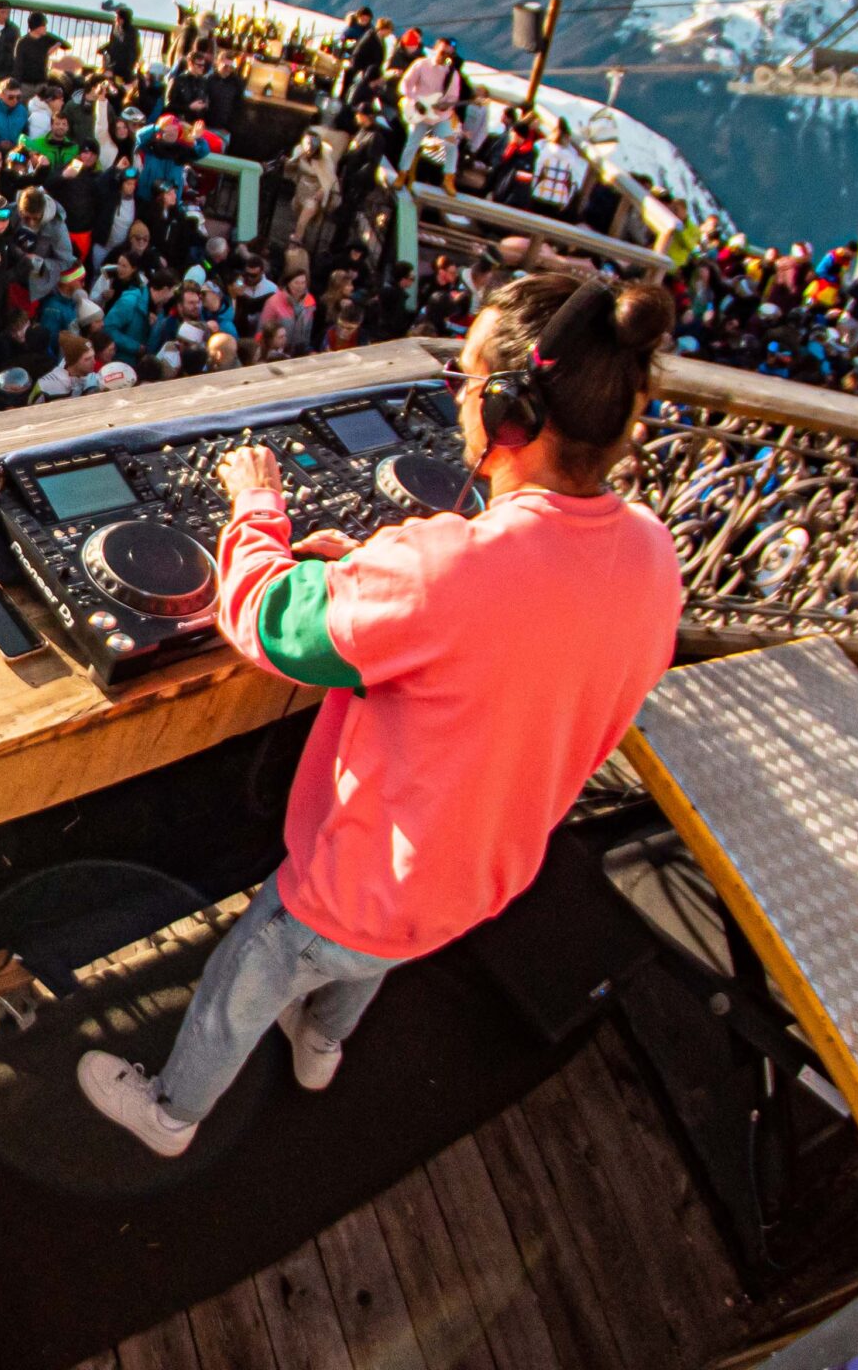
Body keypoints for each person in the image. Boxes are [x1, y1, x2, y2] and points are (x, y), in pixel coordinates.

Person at [78, 274, 682, 1154]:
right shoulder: (653, 554)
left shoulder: (445, 572)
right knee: (375, 959)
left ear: (508, 414)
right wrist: (379, 573)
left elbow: (270, 621)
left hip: (349, 884)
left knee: (243, 978)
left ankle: (171, 1112)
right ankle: (320, 1046)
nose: (459, 400)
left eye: (464, 383)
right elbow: (513, 631)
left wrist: (256, 505)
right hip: (476, 875)